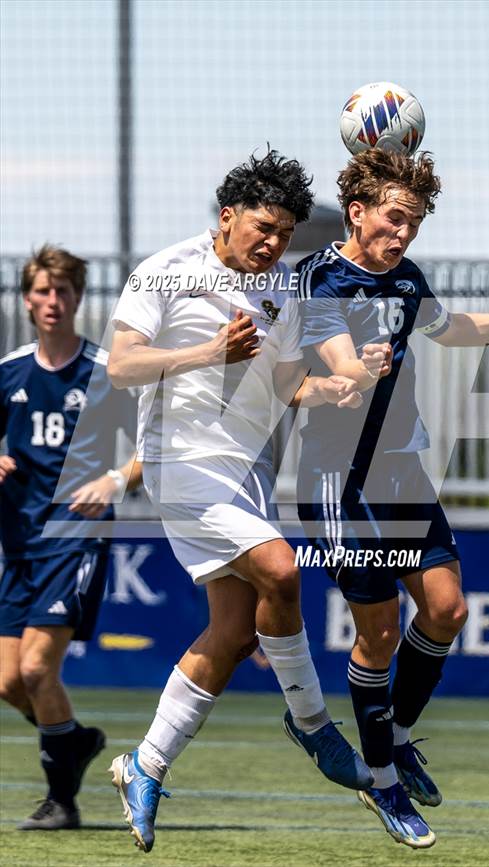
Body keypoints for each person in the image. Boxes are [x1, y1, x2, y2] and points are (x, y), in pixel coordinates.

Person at [296, 148, 489, 849]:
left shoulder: (407, 279)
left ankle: (396, 736)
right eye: (394, 217)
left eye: (415, 220)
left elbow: (454, 328)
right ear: (358, 212)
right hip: (341, 482)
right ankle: (381, 782)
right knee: (376, 634)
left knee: (447, 607)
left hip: (402, 470)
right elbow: (340, 360)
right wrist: (355, 369)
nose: (403, 232)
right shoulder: (319, 279)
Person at [107, 150, 373, 854]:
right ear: (226, 217)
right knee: (281, 571)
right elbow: (120, 364)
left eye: (285, 231)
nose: (273, 242)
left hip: (245, 470)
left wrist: (335, 388)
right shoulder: (167, 270)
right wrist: (206, 355)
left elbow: (289, 386)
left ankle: (146, 764)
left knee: (232, 633)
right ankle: (313, 724)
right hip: (178, 465)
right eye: (262, 226)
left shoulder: (284, 289)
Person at [0, 244, 141, 830]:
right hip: (19, 543)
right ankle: (74, 742)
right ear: (27, 299)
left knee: (37, 671)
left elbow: (153, 450)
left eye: (63, 291)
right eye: (42, 291)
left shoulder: (106, 372)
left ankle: (62, 801)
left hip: (75, 539)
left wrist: (113, 480)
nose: (52, 301)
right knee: (8, 681)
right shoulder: (9, 372)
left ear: (79, 298)